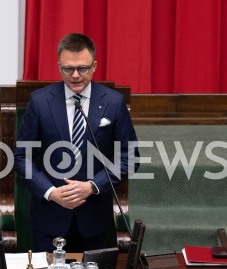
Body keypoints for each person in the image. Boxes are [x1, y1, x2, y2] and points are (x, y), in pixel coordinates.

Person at [13, 33, 139, 252]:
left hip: (94, 219)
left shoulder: (113, 102)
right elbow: (22, 157)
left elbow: (130, 157)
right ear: (59, 66)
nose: (76, 76)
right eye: (68, 69)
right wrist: (51, 192)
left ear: (94, 66)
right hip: (50, 218)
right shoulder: (41, 101)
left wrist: (93, 186)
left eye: (83, 68)